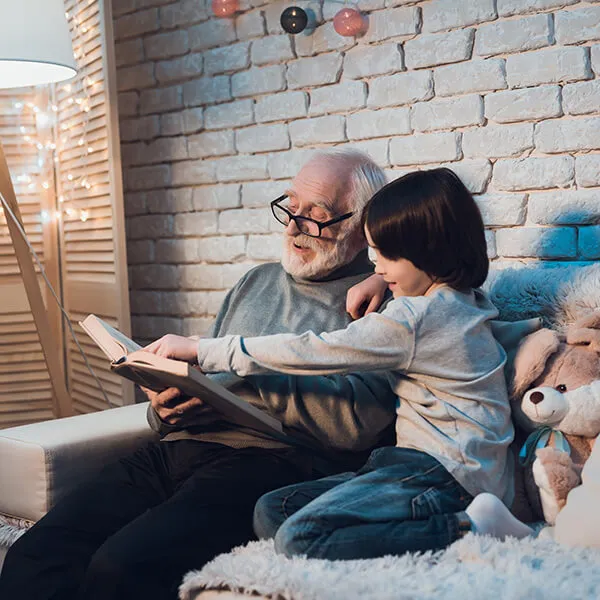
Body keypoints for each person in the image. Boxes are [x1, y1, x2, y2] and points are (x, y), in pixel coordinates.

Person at [0, 150, 398, 599]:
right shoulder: (256, 281)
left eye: (316, 216)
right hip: (178, 446)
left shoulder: (382, 303)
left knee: (120, 566)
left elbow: (357, 427)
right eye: (289, 206)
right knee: (35, 555)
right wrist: (167, 406)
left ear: (363, 227)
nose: (292, 226)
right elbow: (208, 372)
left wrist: (248, 386)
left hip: (272, 464)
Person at [147, 168, 535, 561]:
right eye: (372, 251)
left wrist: (203, 350)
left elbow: (313, 350)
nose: (374, 264)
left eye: (385, 255)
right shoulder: (464, 301)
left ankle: (471, 528)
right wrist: (384, 280)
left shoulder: (413, 321)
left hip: (446, 474)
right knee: (271, 512)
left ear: (429, 252)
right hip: (418, 464)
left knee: (299, 538)